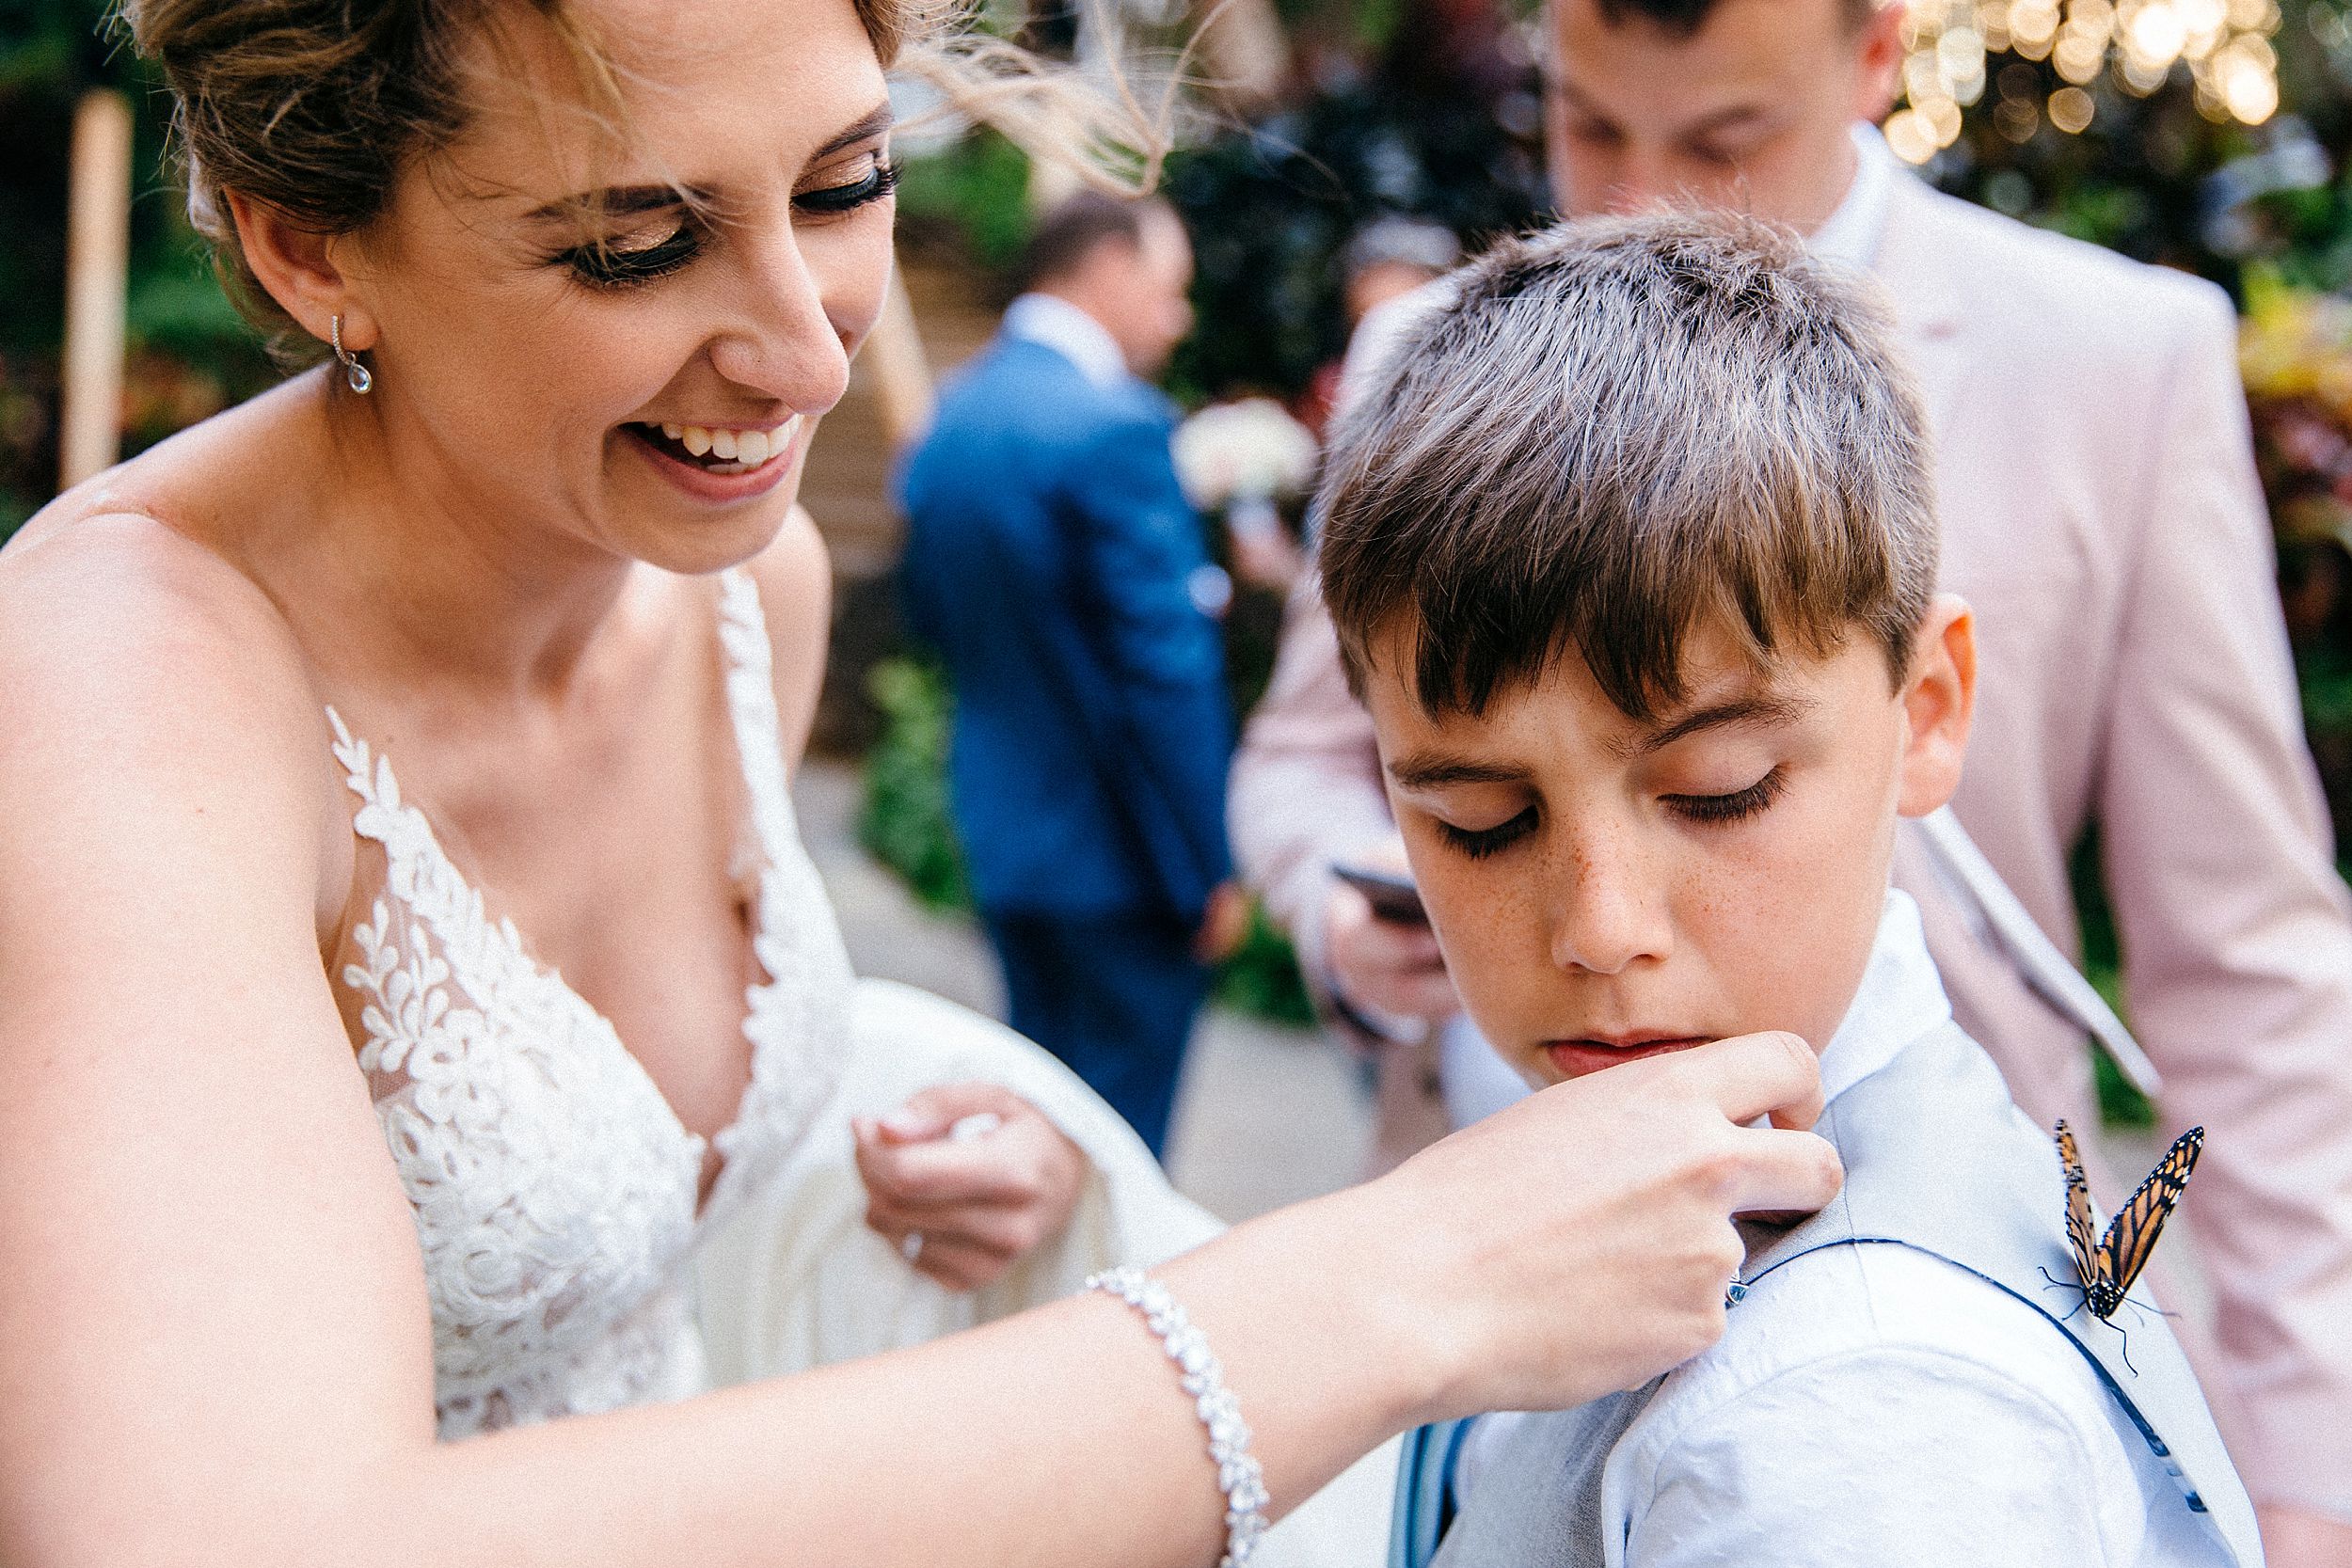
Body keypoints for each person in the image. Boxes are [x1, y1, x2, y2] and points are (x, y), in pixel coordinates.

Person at [0, 0, 1851, 1559]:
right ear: (304, 241)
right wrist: (1388, 1283)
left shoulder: (747, 591)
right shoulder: (115, 691)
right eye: (630, 243)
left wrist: (940, 1173)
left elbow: (588, 1213)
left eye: (842, 181)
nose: (807, 348)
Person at [1227, 0, 2352, 1543]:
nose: (1635, 200)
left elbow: (2250, 967)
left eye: (1720, 142)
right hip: (1485, 1290)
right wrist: (1349, 908)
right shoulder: (1430, 358)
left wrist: (2314, 1483)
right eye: (1589, 128)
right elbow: (1309, 757)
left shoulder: (2121, 358)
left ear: (1875, 53)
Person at [898, 192, 1246, 1159]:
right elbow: (1164, 673)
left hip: (1007, 839)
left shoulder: (953, 413)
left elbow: (928, 618)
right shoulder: (1116, 427)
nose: (1177, 319)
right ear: (1108, 268)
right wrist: (1210, 864)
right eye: (1169, 290)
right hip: (1125, 864)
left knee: (1034, 1141)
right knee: (1116, 1160)